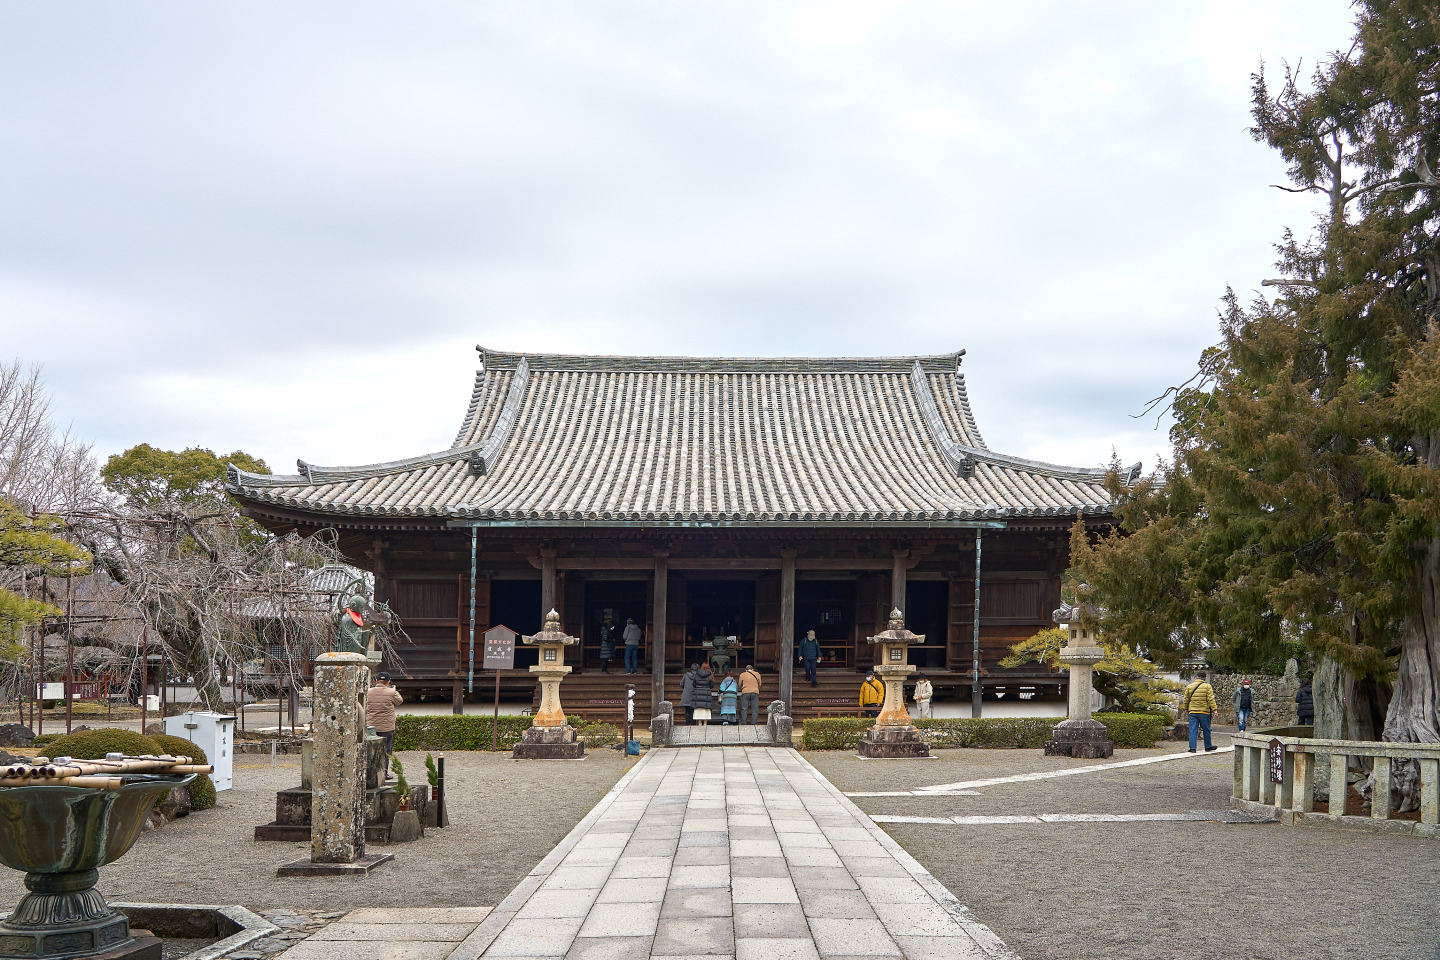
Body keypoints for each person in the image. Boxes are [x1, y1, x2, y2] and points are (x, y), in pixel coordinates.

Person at [365, 671, 404, 780]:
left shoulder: (368, 691)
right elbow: (399, 701)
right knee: (386, 750)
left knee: (370, 750)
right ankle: (384, 773)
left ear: (376, 681)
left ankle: (369, 773)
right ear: (388, 682)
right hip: (386, 726)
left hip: (371, 725)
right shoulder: (392, 692)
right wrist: (394, 690)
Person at [1180, 672, 1219, 753]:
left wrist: (1186, 708)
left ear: (1196, 677)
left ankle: (1192, 748)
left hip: (1192, 712)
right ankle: (1208, 746)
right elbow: (1211, 699)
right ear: (1205, 677)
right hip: (1204, 711)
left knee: (1193, 730)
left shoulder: (1190, 686)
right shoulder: (1207, 686)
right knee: (1206, 729)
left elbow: (1186, 699)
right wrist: (1214, 709)